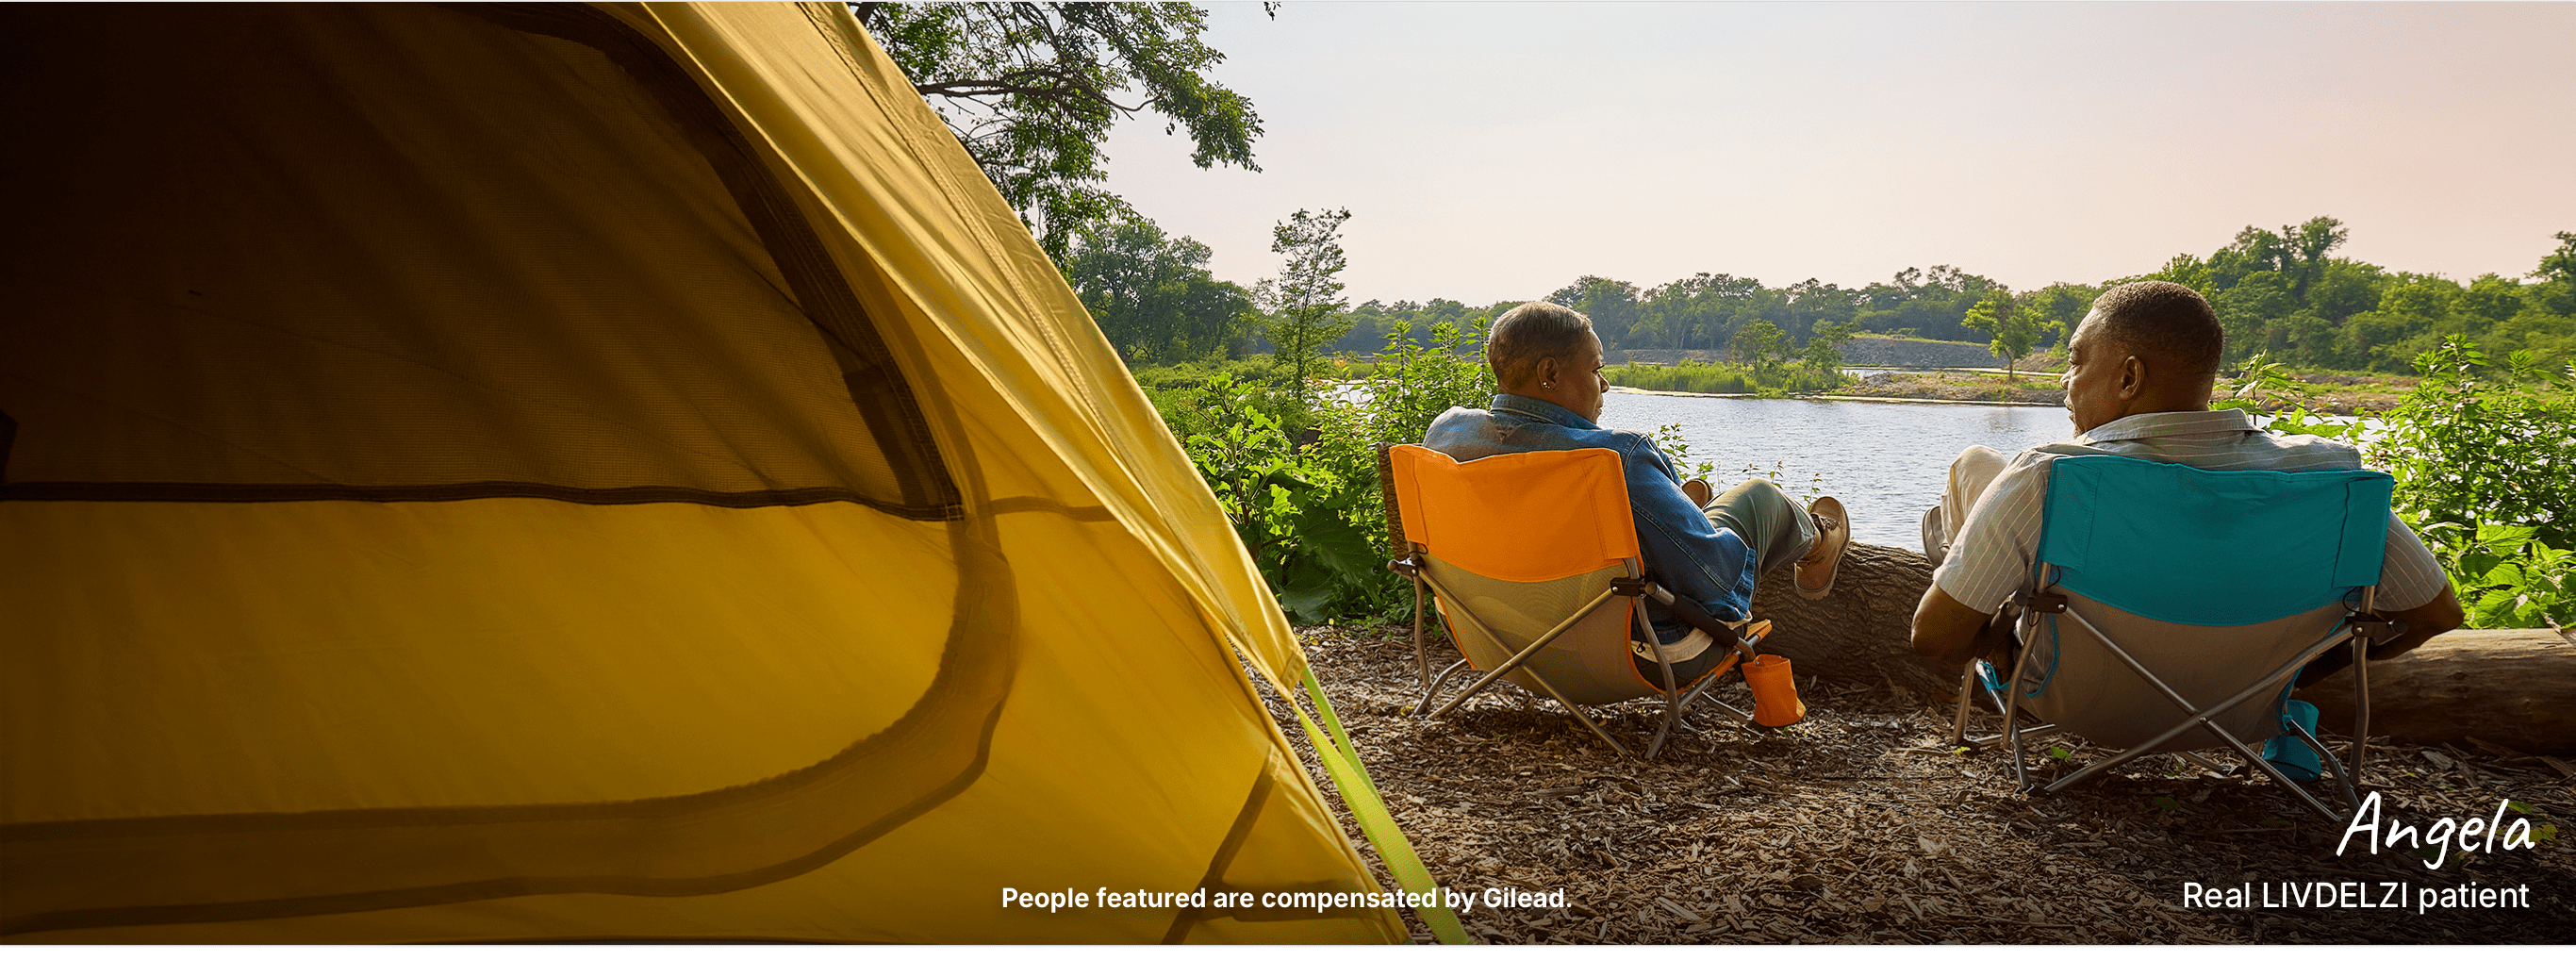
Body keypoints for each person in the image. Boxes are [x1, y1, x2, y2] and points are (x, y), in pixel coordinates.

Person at [1909, 280, 2462, 687]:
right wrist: (2298, 678)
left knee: (1975, 464)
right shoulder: (2331, 483)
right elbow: (2436, 615)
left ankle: (1998, 638)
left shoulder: (2048, 477)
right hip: (2245, 707)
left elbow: (1934, 639)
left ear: (2129, 377)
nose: (2064, 379)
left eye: (2076, 361)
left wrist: (1994, 642)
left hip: (2070, 696)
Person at [1423, 301, 1853, 685]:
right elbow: (1714, 580)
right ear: (1550, 374)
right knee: (1758, 497)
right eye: (1596, 370)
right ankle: (1819, 543)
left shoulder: (1446, 434)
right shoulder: (1612, 458)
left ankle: (1670, 511)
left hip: (1489, 635)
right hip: (1637, 652)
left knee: (1662, 517)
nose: (1605, 385)